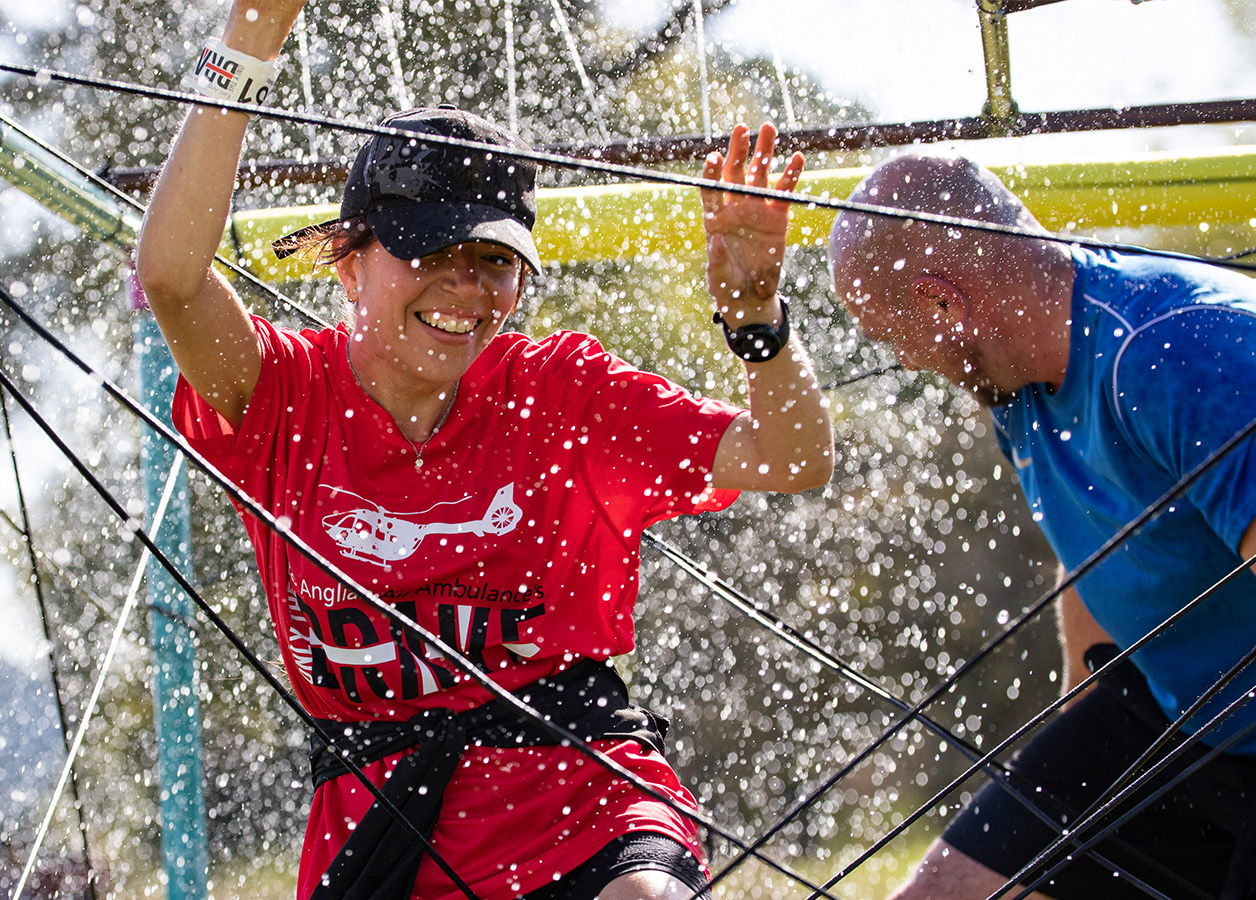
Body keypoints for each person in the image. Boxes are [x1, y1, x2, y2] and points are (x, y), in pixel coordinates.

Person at [133, 2, 834, 898]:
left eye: (493, 260)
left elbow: (791, 457)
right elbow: (172, 278)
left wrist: (755, 320)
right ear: (350, 265)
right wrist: (247, 46)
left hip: (586, 811)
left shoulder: (563, 390)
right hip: (385, 837)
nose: (465, 287)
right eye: (430, 251)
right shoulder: (280, 396)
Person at [823, 152, 1256, 900]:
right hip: (1178, 722)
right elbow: (1090, 553)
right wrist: (1067, 753)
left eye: (890, 335)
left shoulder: (1178, 351)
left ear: (941, 303)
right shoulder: (1015, 378)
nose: (900, 359)